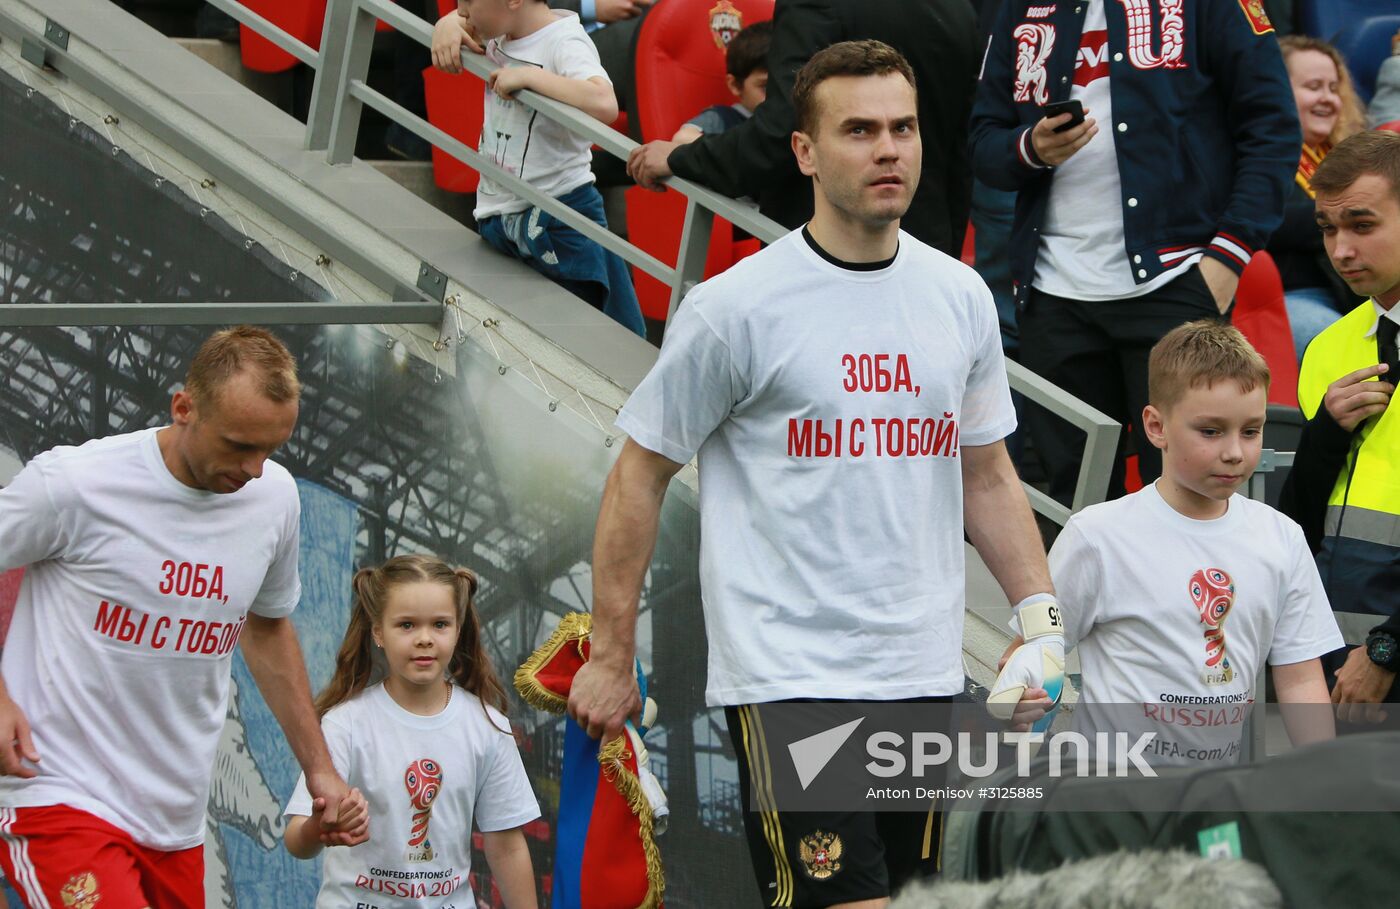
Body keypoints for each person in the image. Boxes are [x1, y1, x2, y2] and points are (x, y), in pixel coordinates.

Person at [572, 41, 1057, 906]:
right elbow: (637, 476)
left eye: (903, 128)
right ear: (804, 152)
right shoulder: (736, 308)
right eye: (860, 130)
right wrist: (611, 652)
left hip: (923, 667)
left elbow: (984, 473)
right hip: (791, 673)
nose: (888, 150)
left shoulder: (959, 296)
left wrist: (1043, 622)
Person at [0, 327, 368, 909]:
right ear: (183, 408)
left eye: (271, 449)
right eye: (238, 445)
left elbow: (268, 628)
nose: (252, 468)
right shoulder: (76, 484)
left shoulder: (275, 500)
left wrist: (319, 769)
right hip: (61, 793)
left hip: (175, 820)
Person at [969, 0, 1299, 507]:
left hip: (1176, 280)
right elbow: (984, 140)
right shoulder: (1021, 7)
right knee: (1071, 499)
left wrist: (1228, 256)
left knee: (1183, 492)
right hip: (1054, 292)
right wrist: (1030, 148)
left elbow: (1272, 129)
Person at [1002, 321, 1341, 766]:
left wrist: (1328, 782)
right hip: (1111, 799)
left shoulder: (1282, 538)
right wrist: (1022, 694)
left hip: (1216, 801)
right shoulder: (1099, 535)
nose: (1235, 452)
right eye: (1211, 431)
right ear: (1156, 426)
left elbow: (1299, 679)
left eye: (1251, 430)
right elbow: (1035, 649)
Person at [626, 0, 981, 258]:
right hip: (924, 248)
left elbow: (782, 133)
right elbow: (959, 157)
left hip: (828, 253)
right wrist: (945, 255)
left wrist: (681, 158)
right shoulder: (959, 10)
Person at [285, 555, 540, 907]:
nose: (424, 639)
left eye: (439, 624)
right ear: (378, 632)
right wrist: (320, 827)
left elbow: (508, 848)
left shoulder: (488, 727)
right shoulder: (345, 724)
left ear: (457, 628)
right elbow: (297, 840)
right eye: (406, 625)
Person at [430, 0, 646, 337]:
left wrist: (532, 77)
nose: (462, 11)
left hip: (559, 216)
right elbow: (461, 21)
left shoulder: (564, 39)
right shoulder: (498, 28)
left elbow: (604, 103)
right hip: (500, 215)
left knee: (591, 336)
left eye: (468, 1)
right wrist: (445, 25)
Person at [1278, 130, 1400, 720]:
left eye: (1362, 224)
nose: (1341, 249)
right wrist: (1324, 437)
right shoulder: (1328, 347)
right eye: (1328, 229)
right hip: (1334, 662)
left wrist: (1387, 648)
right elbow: (1301, 514)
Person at [1267, 35, 1367, 360]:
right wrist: (1353, 216)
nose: (1328, 99)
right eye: (1314, 87)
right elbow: (1267, 222)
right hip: (1291, 297)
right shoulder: (1252, 156)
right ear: (1274, 88)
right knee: (1338, 346)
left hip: (1360, 293)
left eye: (1334, 88)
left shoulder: (1352, 153)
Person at [671, 20, 772, 144]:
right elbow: (681, 139)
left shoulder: (791, 121)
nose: (778, 95)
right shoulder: (723, 118)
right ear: (735, 85)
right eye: (767, 87)